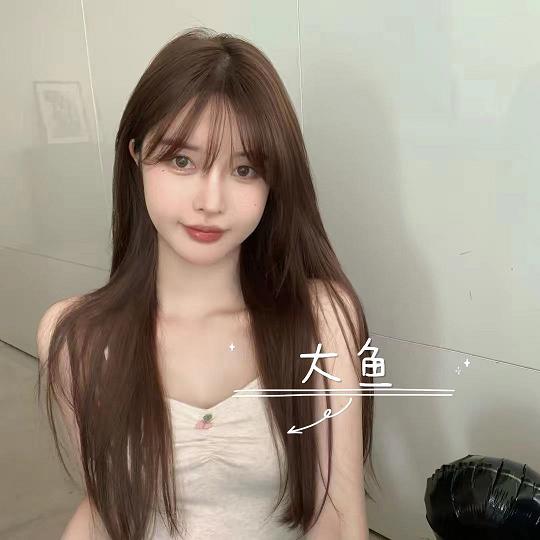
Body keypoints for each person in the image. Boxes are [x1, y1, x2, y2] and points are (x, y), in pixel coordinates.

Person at [36, 27, 375, 540]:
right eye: (182, 161)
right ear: (136, 156)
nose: (210, 202)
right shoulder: (75, 336)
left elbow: (340, 515)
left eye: (245, 169)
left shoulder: (322, 318)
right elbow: (104, 509)